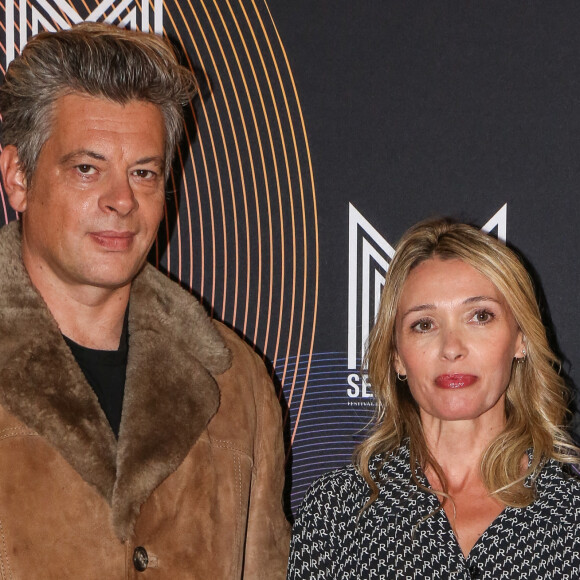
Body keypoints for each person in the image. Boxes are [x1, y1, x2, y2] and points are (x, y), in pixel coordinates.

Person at [0, 22, 289, 578]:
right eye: (88, 169)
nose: (121, 201)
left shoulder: (237, 383)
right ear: (18, 176)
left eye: (144, 173)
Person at [287, 219, 580, 579]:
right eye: (424, 324)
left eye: (480, 316)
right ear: (396, 355)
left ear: (520, 340)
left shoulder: (571, 516)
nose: (451, 348)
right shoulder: (335, 512)